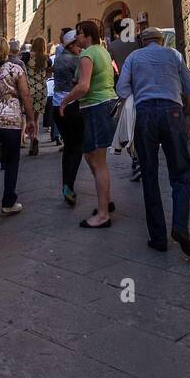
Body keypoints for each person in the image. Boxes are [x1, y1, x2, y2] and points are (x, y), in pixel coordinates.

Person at [115, 27, 190, 257]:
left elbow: (121, 89)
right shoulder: (174, 55)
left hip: (145, 115)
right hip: (173, 113)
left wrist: (140, 89)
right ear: (161, 41)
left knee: (149, 175)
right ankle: (180, 226)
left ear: (143, 41)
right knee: (181, 172)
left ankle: (158, 237)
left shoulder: (134, 57)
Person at [59, 20, 118, 228]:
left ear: (88, 35)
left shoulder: (87, 55)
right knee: (90, 154)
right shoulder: (102, 51)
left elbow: (83, 86)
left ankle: (103, 214)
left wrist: (66, 100)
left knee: (98, 160)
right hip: (103, 105)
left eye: (79, 34)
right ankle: (106, 201)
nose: (77, 38)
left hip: (96, 107)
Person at [0, 36, 37, 225]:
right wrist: (30, 119)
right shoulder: (16, 69)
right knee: (12, 161)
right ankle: (8, 202)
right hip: (12, 122)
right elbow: (25, 94)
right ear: (6, 50)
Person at [53, 28, 84, 204]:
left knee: (69, 146)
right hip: (71, 106)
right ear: (71, 44)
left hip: (57, 107)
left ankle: (66, 183)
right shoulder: (76, 61)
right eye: (77, 45)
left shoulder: (58, 59)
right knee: (77, 146)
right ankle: (69, 185)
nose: (80, 48)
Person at [26, 35, 49, 156]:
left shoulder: (27, 56)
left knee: (29, 118)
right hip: (42, 89)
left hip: (30, 89)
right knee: (36, 118)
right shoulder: (46, 58)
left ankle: (31, 142)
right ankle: (35, 138)